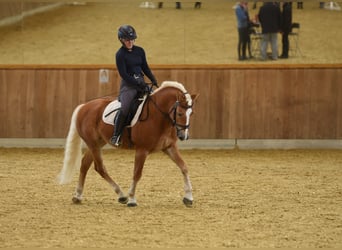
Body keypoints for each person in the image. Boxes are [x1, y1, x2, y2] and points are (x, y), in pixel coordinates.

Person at [111, 25, 158, 146]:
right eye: (127, 40)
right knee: (125, 108)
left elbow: (145, 67)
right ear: (121, 40)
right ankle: (116, 135)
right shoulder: (120, 54)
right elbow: (123, 74)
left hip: (141, 83)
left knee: (155, 103)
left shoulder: (140, 51)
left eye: (132, 39)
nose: (130, 42)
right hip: (129, 85)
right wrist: (135, 82)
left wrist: (153, 80)